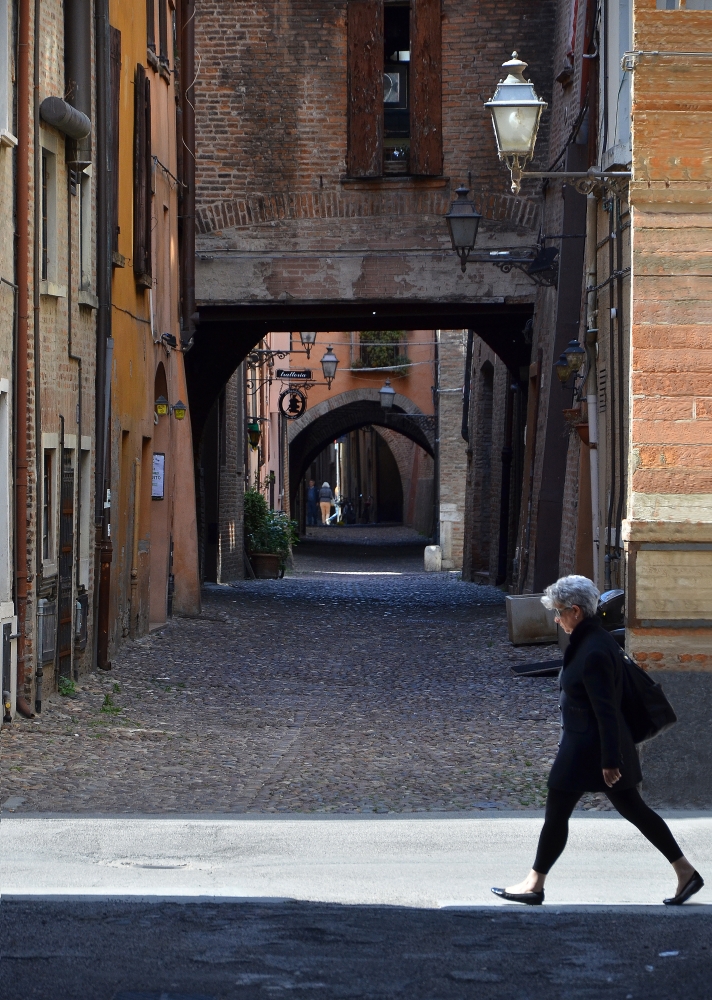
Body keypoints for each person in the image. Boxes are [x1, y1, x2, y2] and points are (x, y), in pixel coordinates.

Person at [491, 574, 703, 907]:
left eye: (559, 612)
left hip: (590, 749)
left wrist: (610, 761)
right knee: (628, 811)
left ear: (575, 611)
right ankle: (685, 871)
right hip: (589, 745)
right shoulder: (592, 642)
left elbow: (606, 711)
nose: (557, 620)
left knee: (571, 812)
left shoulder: (593, 651)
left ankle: (535, 884)